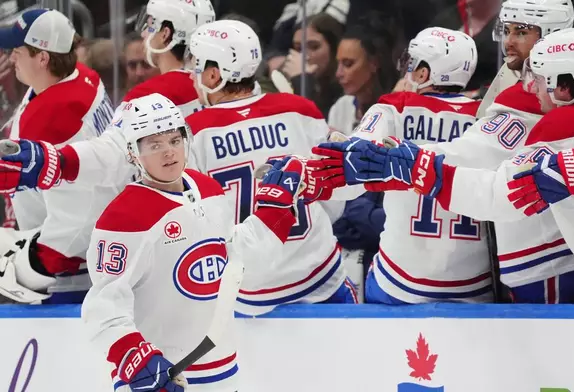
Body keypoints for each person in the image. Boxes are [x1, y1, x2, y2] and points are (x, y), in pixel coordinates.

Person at [315, 29, 574, 303]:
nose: (530, 86)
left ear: (565, 86)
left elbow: (497, 195)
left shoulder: (555, 135)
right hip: (484, 281)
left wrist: (415, 167)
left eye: (540, 78)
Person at [81, 93, 305, 391]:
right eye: (154, 144)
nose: (168, 152)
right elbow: (103, 305)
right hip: (161, 378)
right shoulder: (123, 218)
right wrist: (136, 359)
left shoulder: (208, 188)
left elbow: (237, 262)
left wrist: (274, 212)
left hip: (223, 368)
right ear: (133, 152)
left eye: (174, 140)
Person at [0, 0, 215, 303]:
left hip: (88, 262)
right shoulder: (216, 89)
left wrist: (45, 256)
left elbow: (109, 163)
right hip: (194, 239)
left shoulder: (147, 97)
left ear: (167, 34)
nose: (143, 31)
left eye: (151, 23)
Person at [185, 20, 356, 315]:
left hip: (247, 297)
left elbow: (196, 226)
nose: (193, 76)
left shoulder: (192, 133)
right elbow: (333, 200)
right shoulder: (301, 110)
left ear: (214, 75)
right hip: (320, 279)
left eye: (197, 67)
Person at [323, 27, 493, 304]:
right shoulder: (486, 116)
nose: (407, 72)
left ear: (424, 73)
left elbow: (350, 163)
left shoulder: (393, 107)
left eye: (411, 64)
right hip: (473, 283)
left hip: (398, 282)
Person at [0, 8, 114, 303]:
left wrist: (40, 260)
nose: (11, 57)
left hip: (64, 271)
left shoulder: (53, 116)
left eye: (18, 51)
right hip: (80, 249)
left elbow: (81, 205)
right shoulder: (80, 76)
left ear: (43, 58)